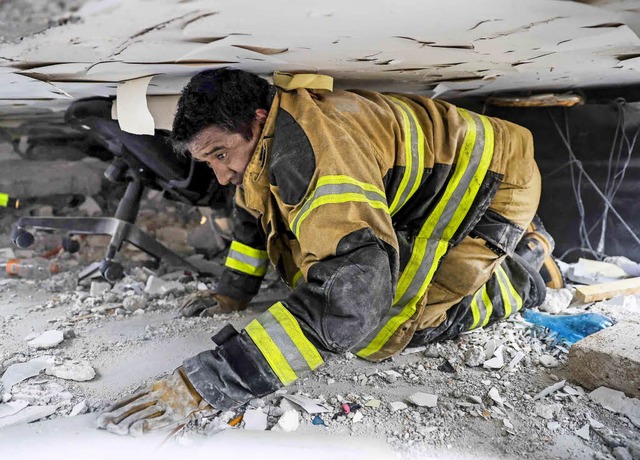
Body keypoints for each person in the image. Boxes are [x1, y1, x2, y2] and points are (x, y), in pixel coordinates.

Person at [97, 69, 562, 435]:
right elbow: (251, 212)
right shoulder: (269, 140)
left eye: (221, 154)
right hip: (428, 183)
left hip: (491, 178)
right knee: (322, 275)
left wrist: (218, 378)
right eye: (209, 162)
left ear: (258, 121)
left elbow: (351, 303)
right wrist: (232, 293)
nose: (221, 174)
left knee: (383, 331)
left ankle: (527, 264)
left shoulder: (309, 157)